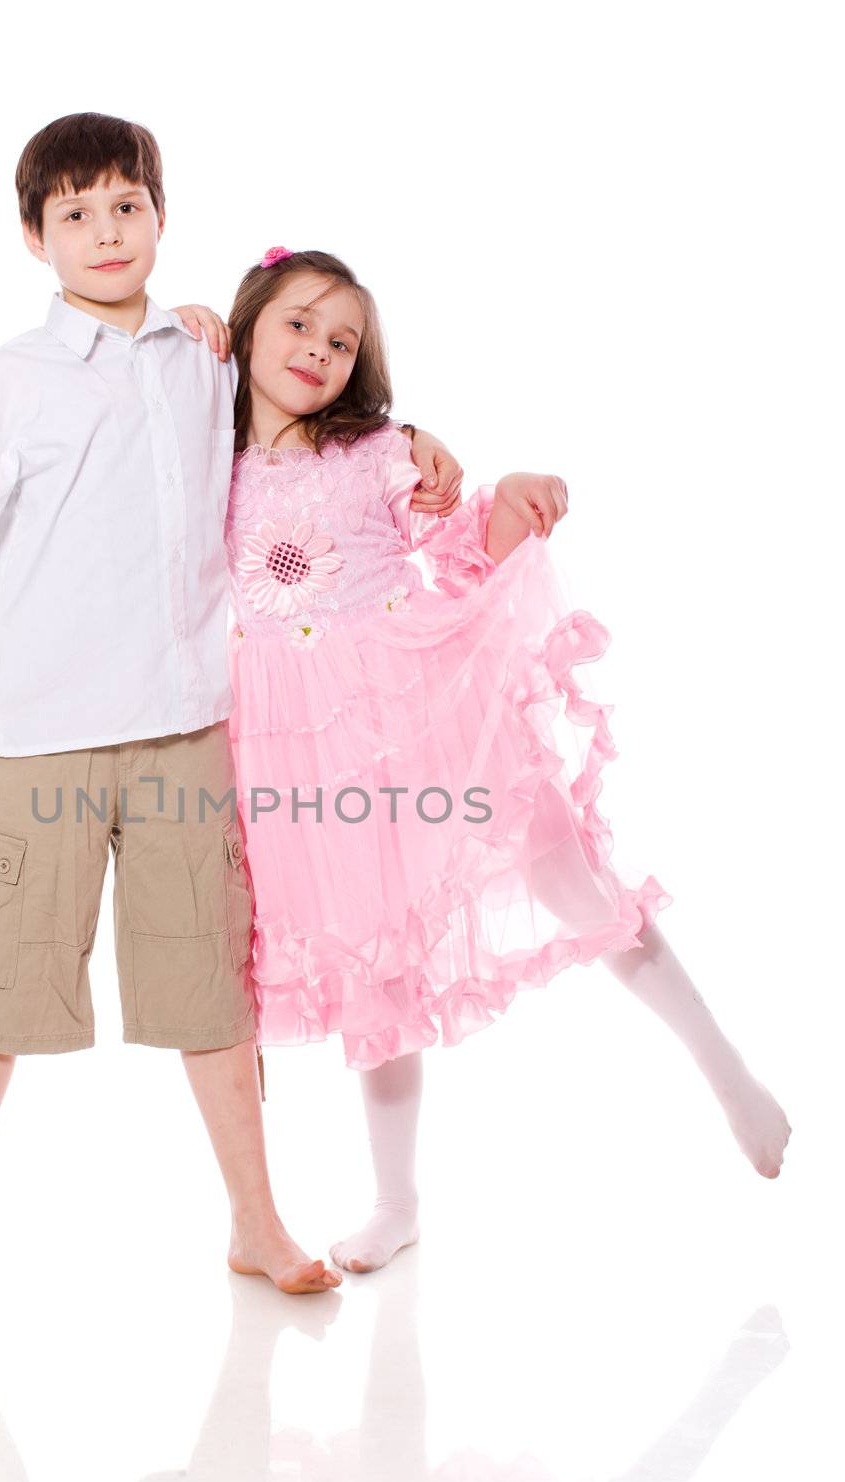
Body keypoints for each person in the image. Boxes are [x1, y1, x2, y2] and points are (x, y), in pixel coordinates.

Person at [0, 120, 461, 1309]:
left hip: (185, 729)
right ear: (34, 237)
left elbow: (310, 424)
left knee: (207, 989)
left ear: (161, 219)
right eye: (74, 214)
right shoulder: (5, 386)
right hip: (34, 737)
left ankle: (257, 1223)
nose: (105, 232)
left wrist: (418, 442)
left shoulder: (205, 359)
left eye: (125, 207)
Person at [222, 247, 793, 1274]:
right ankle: (393, 1201)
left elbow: (451, 531)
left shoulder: (379, 454)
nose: (317, 348)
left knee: (568, 875)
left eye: (341, 339)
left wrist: (509, 496)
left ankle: (725, 1069)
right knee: (372, 955)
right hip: (293, 740)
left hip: (415, 704)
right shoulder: (205, 457)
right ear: (248, 323)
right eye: (298, 323)